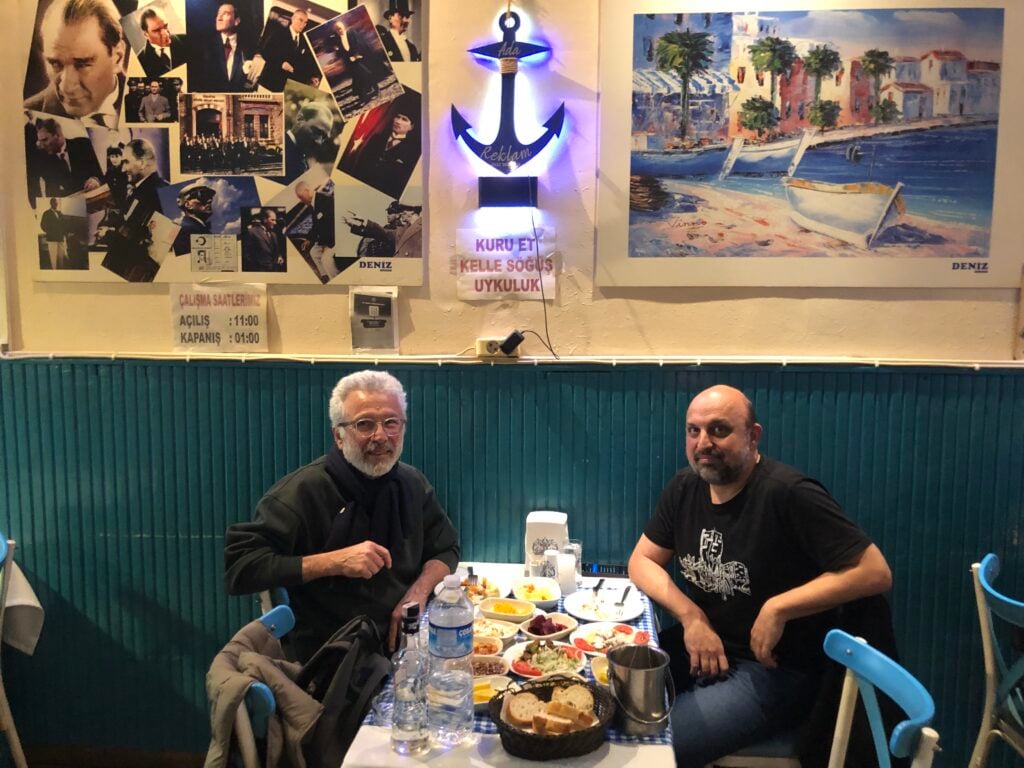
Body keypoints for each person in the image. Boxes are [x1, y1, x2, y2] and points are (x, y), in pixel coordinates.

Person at [627, 384, 893, 766]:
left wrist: (778, 608)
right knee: (609, 694)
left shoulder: (788, 493)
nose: (704, 442)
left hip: (774, 671)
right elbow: (641, 561)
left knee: (657, 752)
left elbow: (875, 572)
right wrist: (691, 616)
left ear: (753, 436)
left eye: (720, 430)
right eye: (693, 430)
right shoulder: (685, 486)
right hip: (702, 648)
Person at [224, 370, 459, 661]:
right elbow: (240, 568)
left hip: (406, 646)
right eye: (364, 424)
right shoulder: (301, 493)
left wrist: (418, 592)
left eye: (391, 423)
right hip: (329, 658)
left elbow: (446, 548)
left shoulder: (412, 483)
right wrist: (333, 562)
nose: (381, 436)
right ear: (338, 435)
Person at [24, 0, 127, 129]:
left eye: (82, 64)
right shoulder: (23, 119)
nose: (67, 87)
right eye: (55, 64)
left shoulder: (149, 100)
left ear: (118, 58)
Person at [99, 137, 166, 281]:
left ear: (142, 163)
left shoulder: (161, 193)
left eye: (126, 162)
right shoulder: (139, 190)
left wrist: (110, 236)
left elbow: (152, 249)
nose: (123, 169)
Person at [194, 3, 263, 92]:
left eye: (225, 14)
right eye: (218, 14)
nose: (219, 18)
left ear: (236, 21)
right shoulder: (205, 47)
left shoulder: (250, 48)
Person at [350, 111, 418, 197]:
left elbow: (401, 181)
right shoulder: (376, 138)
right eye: (397, 117)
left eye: (404, 119)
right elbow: (360, 163)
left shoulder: (411, 152)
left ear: (411, 127)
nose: (398, 121)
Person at [34, 118, 102, 197]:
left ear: (58, 135)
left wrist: (96, 180)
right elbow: (51, 193)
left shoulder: (83, 145)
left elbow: (101, 173)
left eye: (45, 140)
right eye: (40, 141)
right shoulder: (45, 160)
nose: (41, 146)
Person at [257, 8, 318, 91]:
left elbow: (305, 62)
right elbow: (266, 52)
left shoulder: (304, 41)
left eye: (305, 22)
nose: (303, 24)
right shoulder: (278, 33)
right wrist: (280, 64)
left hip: (286, 88)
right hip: (268, 83)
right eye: (300, 20)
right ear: (292, 18)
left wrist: (312, 76)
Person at [276, 100, 333, 184]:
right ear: (300, 119)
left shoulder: (303, 160)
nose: (319, 142)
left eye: (324, 138)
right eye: (317, 131)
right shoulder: (277, 149)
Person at [343, 200, 421, 258]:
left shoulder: (424, 228)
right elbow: (382, 233)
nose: (401, 212)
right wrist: (362, 223)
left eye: (404, 209)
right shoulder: (403, 229)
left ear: (413, 211)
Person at [136, 7, 187, 77]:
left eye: (165, 26)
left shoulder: (187, 40)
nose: (165, 33)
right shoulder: (139, 62)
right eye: (157, 30)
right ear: (146, 35)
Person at [171, 181, 215, 255]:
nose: (210, 200)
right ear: (188, 205)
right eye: (203, 196)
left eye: (210, 197)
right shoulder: (185, 232)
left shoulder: (194, 229)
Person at [39, 198, 68, 269]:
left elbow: (64, 224)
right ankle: (54, 271)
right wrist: (51, 232)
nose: (56, 204)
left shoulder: (60, 213)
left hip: (60, 238)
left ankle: (61, 270)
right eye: (54, 203)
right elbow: (43, 225)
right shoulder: (46, 213)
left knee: (61, 257)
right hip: (52, 239)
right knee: (53, 257)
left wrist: (64, 233)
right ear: (51, 204)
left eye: (57, 203)